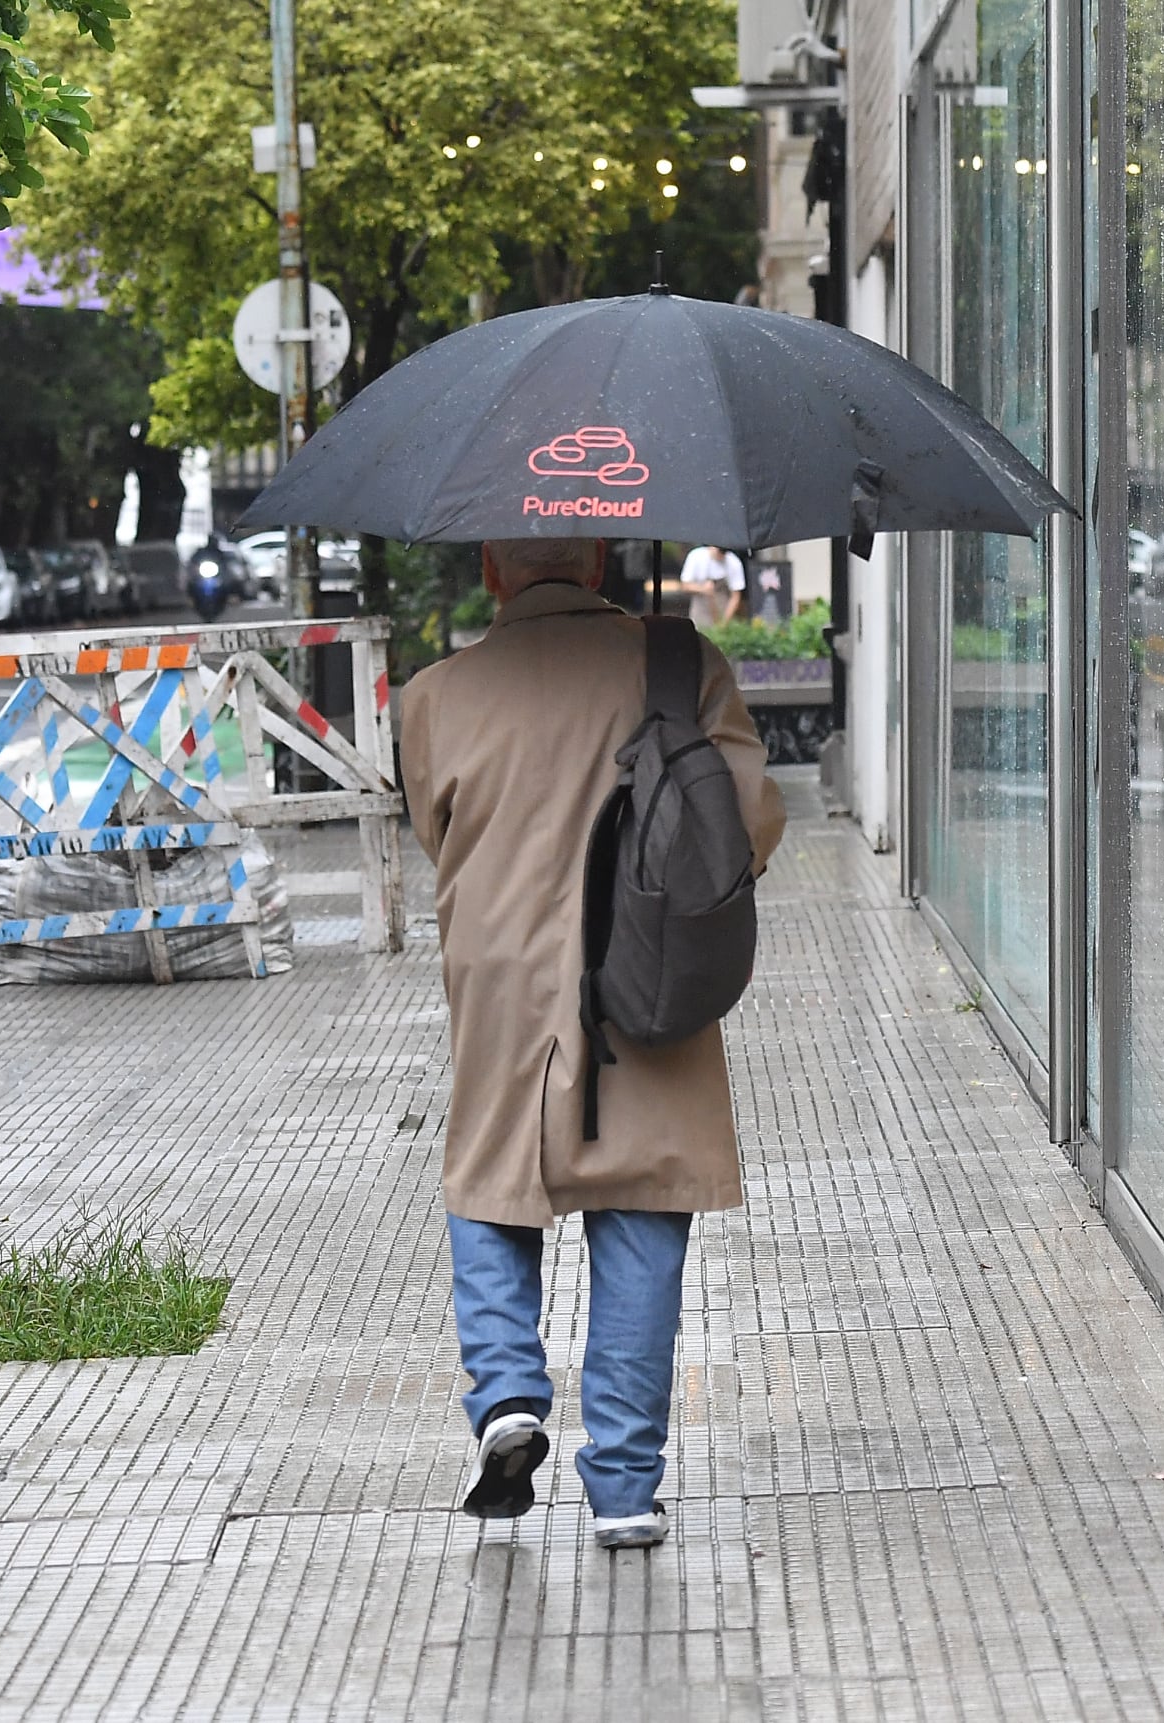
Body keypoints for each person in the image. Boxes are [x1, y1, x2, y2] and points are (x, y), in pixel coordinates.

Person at [399, 537, 787, 1550]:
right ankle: (623, 1486)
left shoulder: (437, 694)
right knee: (645, 1203)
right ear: (606, 559)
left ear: (493, 570)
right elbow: (748, 824)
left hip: (502, 976)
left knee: (491, 1179)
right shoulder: (681, 662)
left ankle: (507, 1397)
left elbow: (436, 833)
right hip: (647, 967)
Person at [679, 542, 748, 628]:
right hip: (701, 609)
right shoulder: (696, 556)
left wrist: (725, 622)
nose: (721, 556)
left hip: (722, 607)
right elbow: (685, 585)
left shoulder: (733, 562)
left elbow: (736, 596)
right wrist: (702, 589)